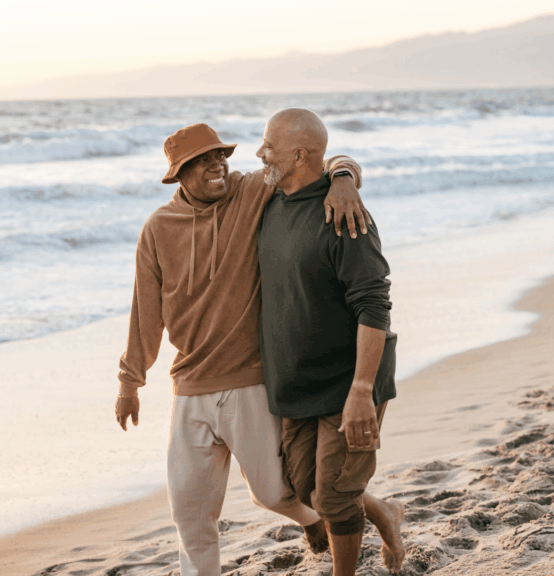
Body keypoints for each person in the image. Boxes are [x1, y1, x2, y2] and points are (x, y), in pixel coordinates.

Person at [114, 122, 369, 576]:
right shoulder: (158, 228)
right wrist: (129, 383)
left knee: (274, 494)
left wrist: (345, 177)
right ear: (178, 174)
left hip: (249, 380)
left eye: (220, 155)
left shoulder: (252, 192)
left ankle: (316, 518)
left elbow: (310, 162)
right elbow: (144, 313)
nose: (217, 165)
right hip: (189, 387)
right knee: (190, 514)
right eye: (202, 161)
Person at [256, 108, 404, 575]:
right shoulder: (267, 198)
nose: (260, 153)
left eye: (269, 146)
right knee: (307, 490)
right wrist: (344, 171)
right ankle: (385, 512)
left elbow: (374, 305)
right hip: (296, 382)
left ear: (299, 155)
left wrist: (362, 390)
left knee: (336, 496)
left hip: (348, 380)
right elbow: (340, 161)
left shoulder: (344, 214)